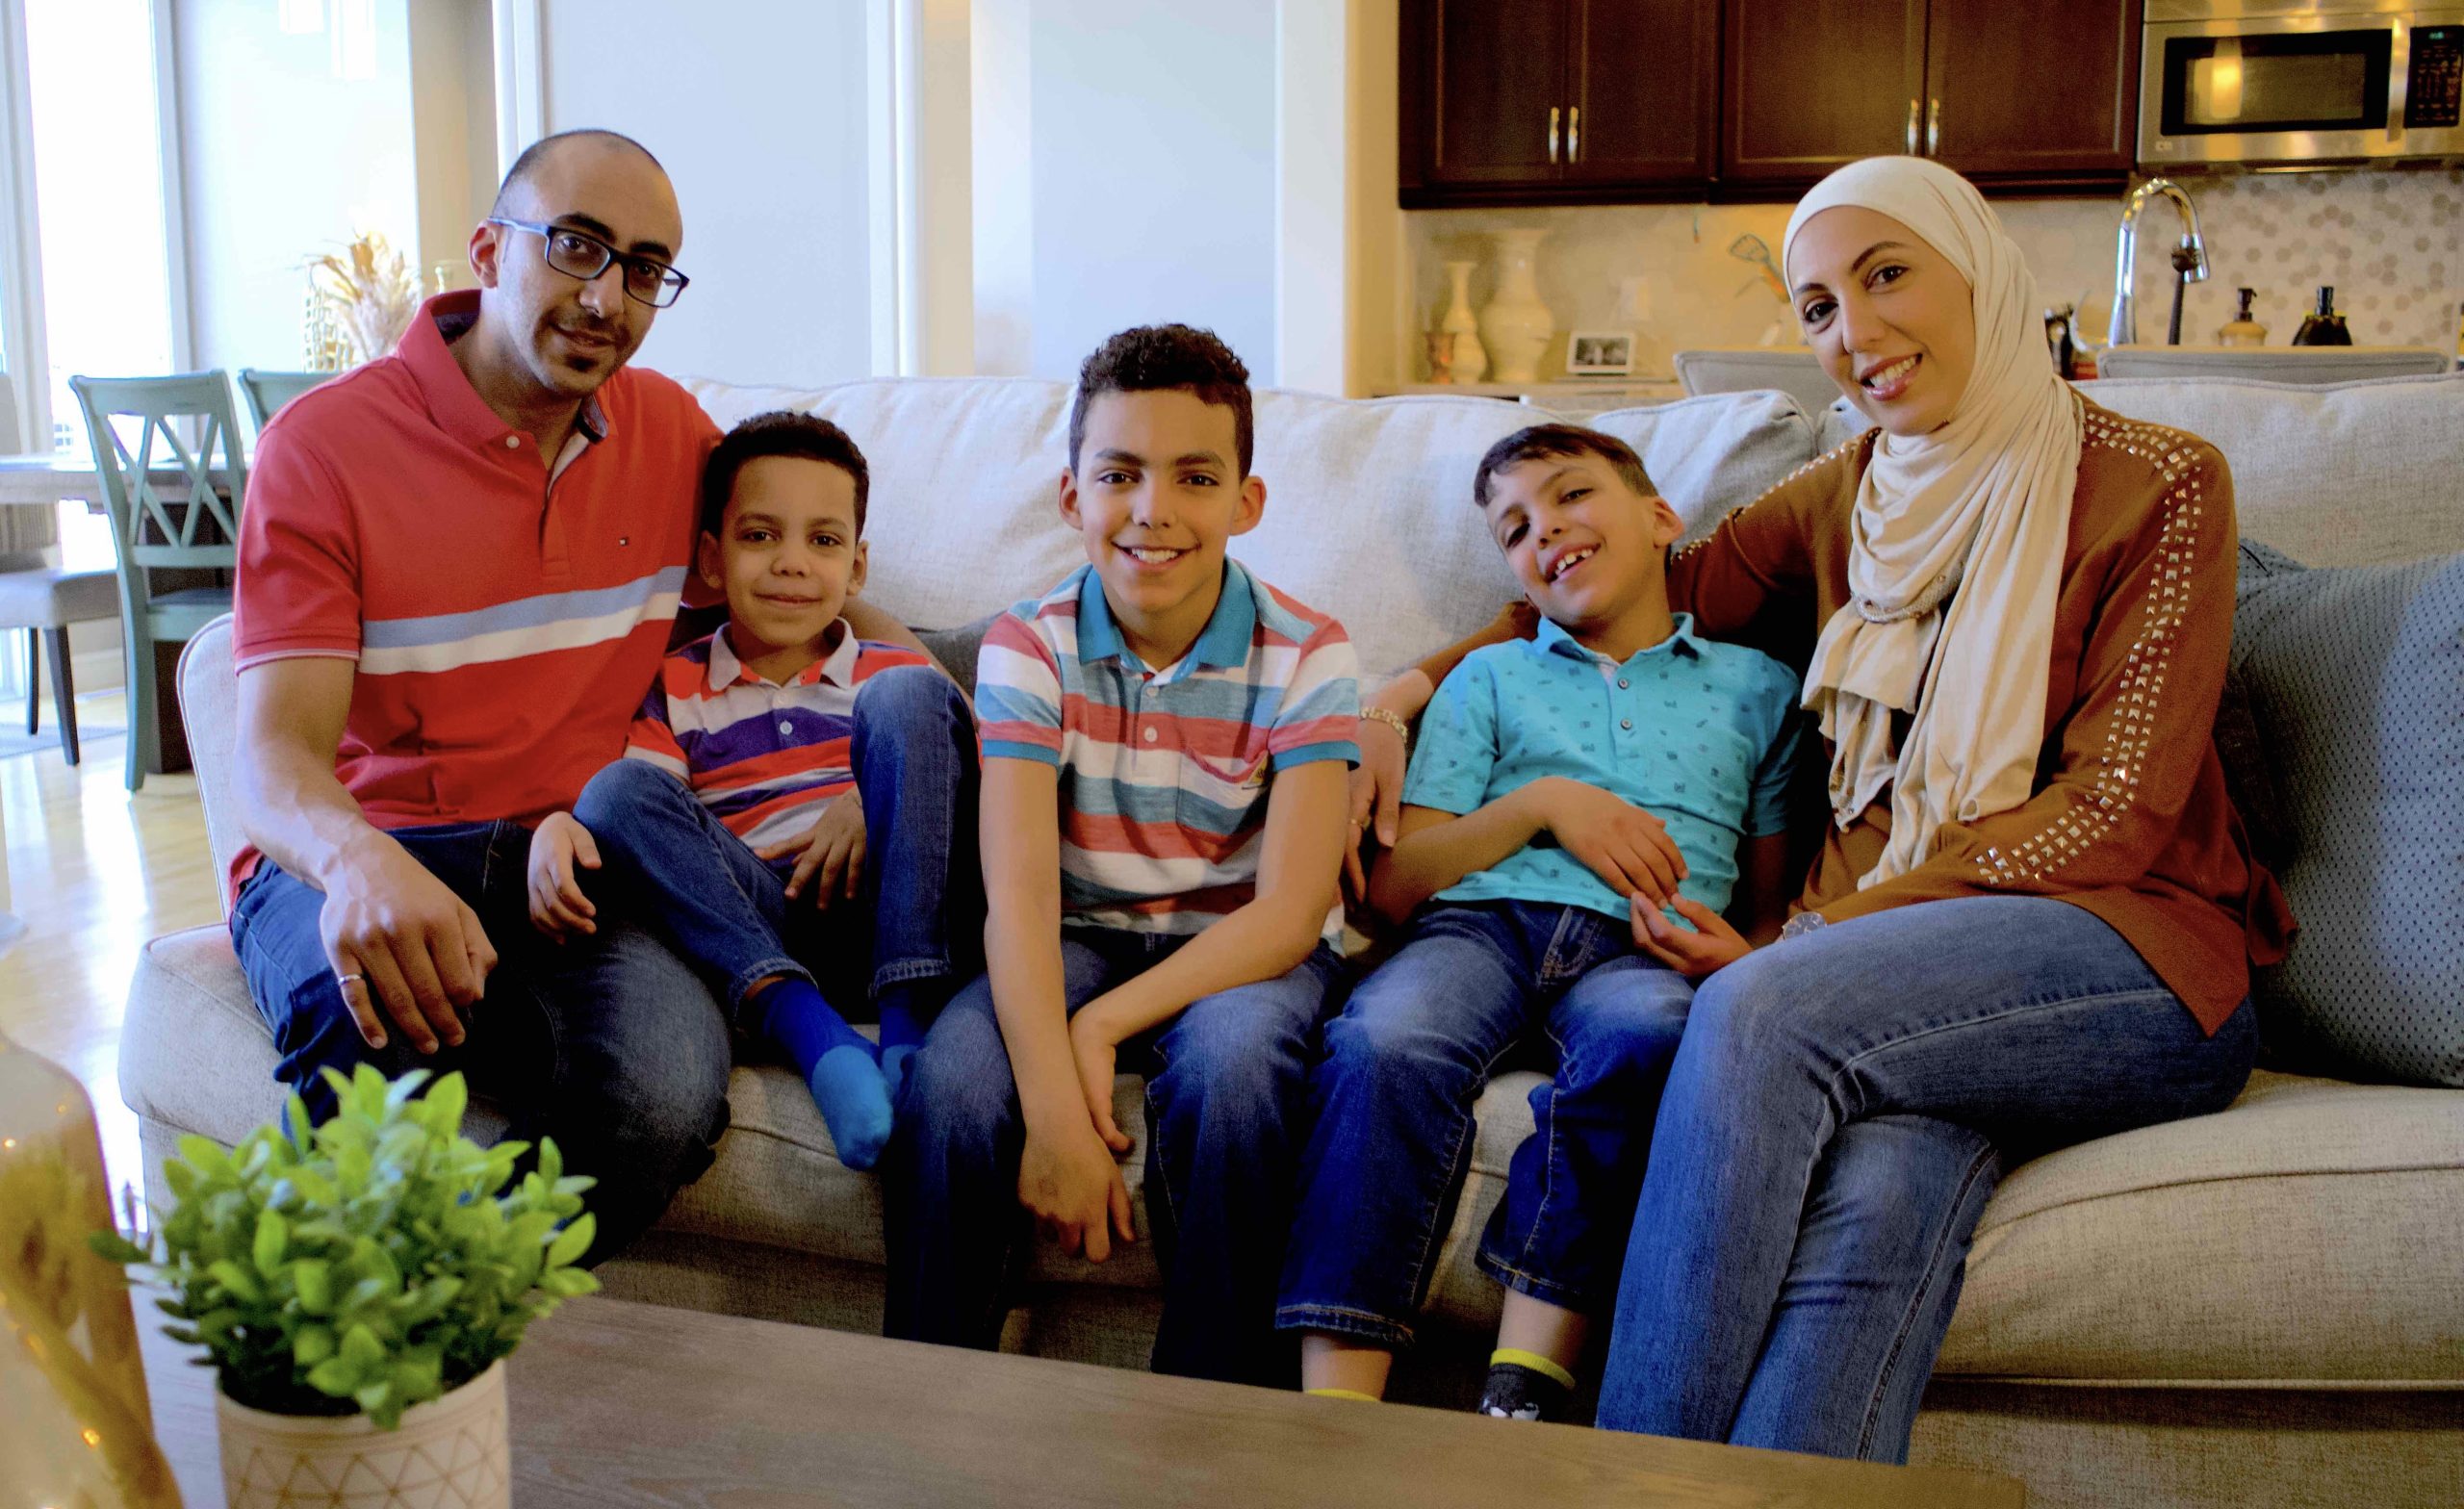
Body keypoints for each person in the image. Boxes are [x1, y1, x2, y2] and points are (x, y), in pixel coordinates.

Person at [1344, 157, 2293, 1458]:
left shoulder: (2161, 482)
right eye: (1820, 308)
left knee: (1755, 1012)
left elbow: (2116, 812)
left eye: (1887, 275)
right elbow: (1639, 593)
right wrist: (1399, 692)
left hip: (2129, 956)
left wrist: (1816, 947)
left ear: (1978, 269)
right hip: (1905, 994)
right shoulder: (1849, 493)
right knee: (1881, 1196)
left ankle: (1615, 1488)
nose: (1857, 334)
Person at [227, 130, 930, 1260]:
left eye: (644, 269)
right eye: (577, 247)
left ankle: (447, 1315)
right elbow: (276, 759)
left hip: (595, 870)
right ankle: (343, 1345)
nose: (608, 296)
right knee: (361, 1039)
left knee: (657, 1099)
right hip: (380, 850)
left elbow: (825, 609)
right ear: (489, 248)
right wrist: (360, 864)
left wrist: (930, 742)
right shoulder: (323, 449)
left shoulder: (669, 436)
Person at [1277, 424, 1803, 1423]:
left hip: (1643, 943)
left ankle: (1523, 1383)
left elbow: (1771, 902)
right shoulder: (1489, 676)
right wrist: (1540, 802)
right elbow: (1394, 887)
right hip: (1475, 927)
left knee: (1650, 1039)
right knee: (1382, 1041)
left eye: (1570, 496)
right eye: (1515, 527)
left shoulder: (1757, 687)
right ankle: (1332, 1413)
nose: (1546, 530)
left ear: (1659, 519)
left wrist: (1746, 956)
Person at [882, 324, 1359, 1386]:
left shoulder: (1309, 649)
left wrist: (1099, 1026)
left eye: (1195, 476)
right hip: (1073, 926)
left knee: (1236, 1074)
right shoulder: (1029, 643)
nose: (1154, 509)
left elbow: (1289, 913)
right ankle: (918, 1407)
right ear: (1071, 496)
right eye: (1120, 474)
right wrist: (1055, 1115)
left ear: (1246, 501)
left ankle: (1204, 1428)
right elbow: (1017, 900)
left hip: (1244, 946)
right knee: (954, 1090)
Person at [525, 412, 980, 1171]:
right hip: (764, 926)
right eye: (760, 535)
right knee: (614, 792)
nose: (792, 564)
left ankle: (907, 1029)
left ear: (858, 568)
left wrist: (870, 798)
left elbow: (971, 779)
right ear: (711, 556)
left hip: (899, 916)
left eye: (824, 541)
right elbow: (649, 830)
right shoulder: (675, 683)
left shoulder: (888, 669)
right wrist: (559, 826)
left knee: (912, 699)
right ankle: (809, 1030)